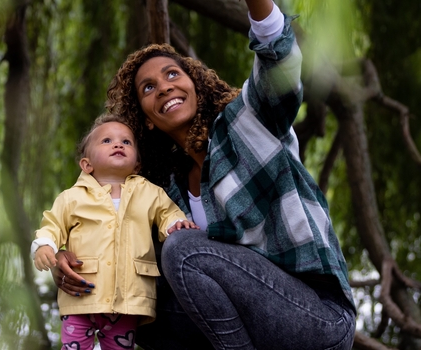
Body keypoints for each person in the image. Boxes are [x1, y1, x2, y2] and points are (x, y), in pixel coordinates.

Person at [53, 0, 357, 349]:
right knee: (143, 306)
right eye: (148, 88)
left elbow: (279, 59)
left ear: (194, 83)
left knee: (183, 248)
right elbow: (113, 245)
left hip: (317, 318)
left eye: (172, 74)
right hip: (254, 327)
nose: (164, 87)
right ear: (147, 120)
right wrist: (64, 255)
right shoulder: (166, 190)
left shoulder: (248, 122)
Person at [31, 113, 199, 350]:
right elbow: (52, 224)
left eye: (126, 142)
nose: (118, 144)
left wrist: (176, 224)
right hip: (81, 295)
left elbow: (167, 213)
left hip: (129, 299)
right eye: (107, 141)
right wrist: (45, 245)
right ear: (87, 164)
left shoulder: (149, 192)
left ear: (137, 164)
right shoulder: (72, 197)